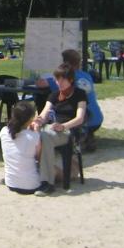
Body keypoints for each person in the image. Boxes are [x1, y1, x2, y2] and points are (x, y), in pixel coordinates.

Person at [30, 62, 87, 193]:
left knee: (44, 136)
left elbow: (80, 118)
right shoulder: (54, 95)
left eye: (62, 80)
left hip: (69, 130)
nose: (58, 83)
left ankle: (47, 182)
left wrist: (63, 126)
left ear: (70, 80)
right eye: (57, 80)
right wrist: (38, 121)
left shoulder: (80, 94)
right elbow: (44, 114)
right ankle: (40, 178)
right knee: (39, 134)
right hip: (52, 130)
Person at [0, 100, 42, 195]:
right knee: (54, 169)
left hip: (11, 183)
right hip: (31, 185)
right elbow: (40, 159)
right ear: (30, 120)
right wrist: (36, 131)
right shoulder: (34, 136)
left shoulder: (3, 131)